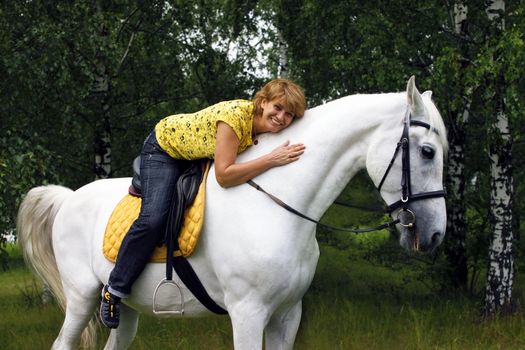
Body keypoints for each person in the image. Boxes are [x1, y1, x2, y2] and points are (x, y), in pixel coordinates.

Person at [100, 78, 307, 328]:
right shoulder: (234, 120)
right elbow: (224, 176)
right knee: (153, 218)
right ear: (263, 102)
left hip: (197, 152)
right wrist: (272, 160)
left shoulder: (266, 128)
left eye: (289, 114)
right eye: (278, 107)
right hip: (165, 150)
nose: (282, 117)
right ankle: (115, 289)